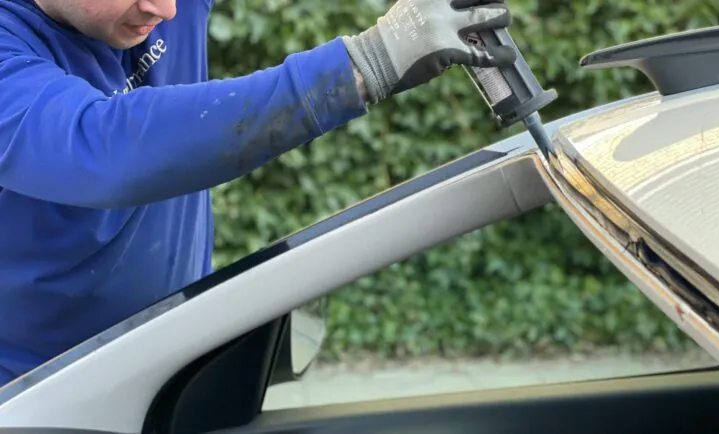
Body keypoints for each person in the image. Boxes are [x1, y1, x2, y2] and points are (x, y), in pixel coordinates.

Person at [0, 0, 515, 386]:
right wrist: (370, 63)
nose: (167, 8)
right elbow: (103, 148)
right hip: (39, 394)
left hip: (173, 362)